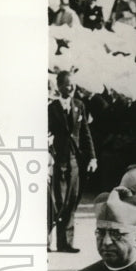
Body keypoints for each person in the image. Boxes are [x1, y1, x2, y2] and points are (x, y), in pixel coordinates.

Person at [47, 70, 98, 252]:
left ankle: (65, 243)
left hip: (74, 160)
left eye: (72, 84)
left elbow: (85, 132)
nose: (70, 88)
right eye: (67, 85)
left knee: (71, 202)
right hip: (58, 160)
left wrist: (92, 156)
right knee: (57, 203)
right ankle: (45, 239)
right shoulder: (51, 108)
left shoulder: (79, 105)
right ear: (60, 86)